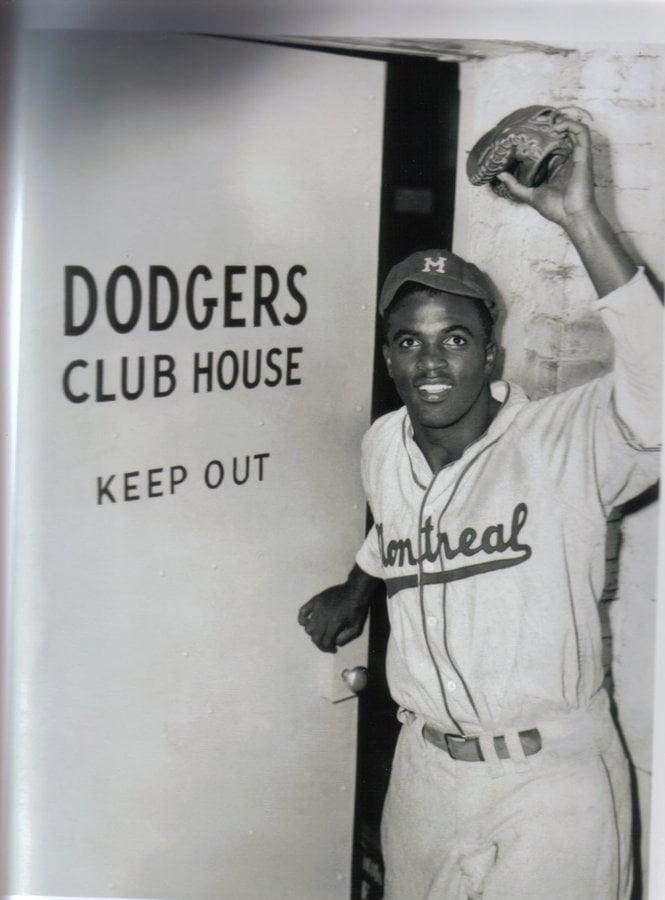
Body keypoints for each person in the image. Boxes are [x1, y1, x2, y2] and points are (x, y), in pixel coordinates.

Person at [298, 117, 661, 899]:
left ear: (490, 350)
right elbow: (392, 527)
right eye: (409, 341)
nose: (430, 361)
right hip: (424, 774)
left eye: (454, 339)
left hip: (550, 777)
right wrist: (356, 591)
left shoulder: (566, 439)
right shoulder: (383, 444)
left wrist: (578, 218)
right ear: (388, 354)